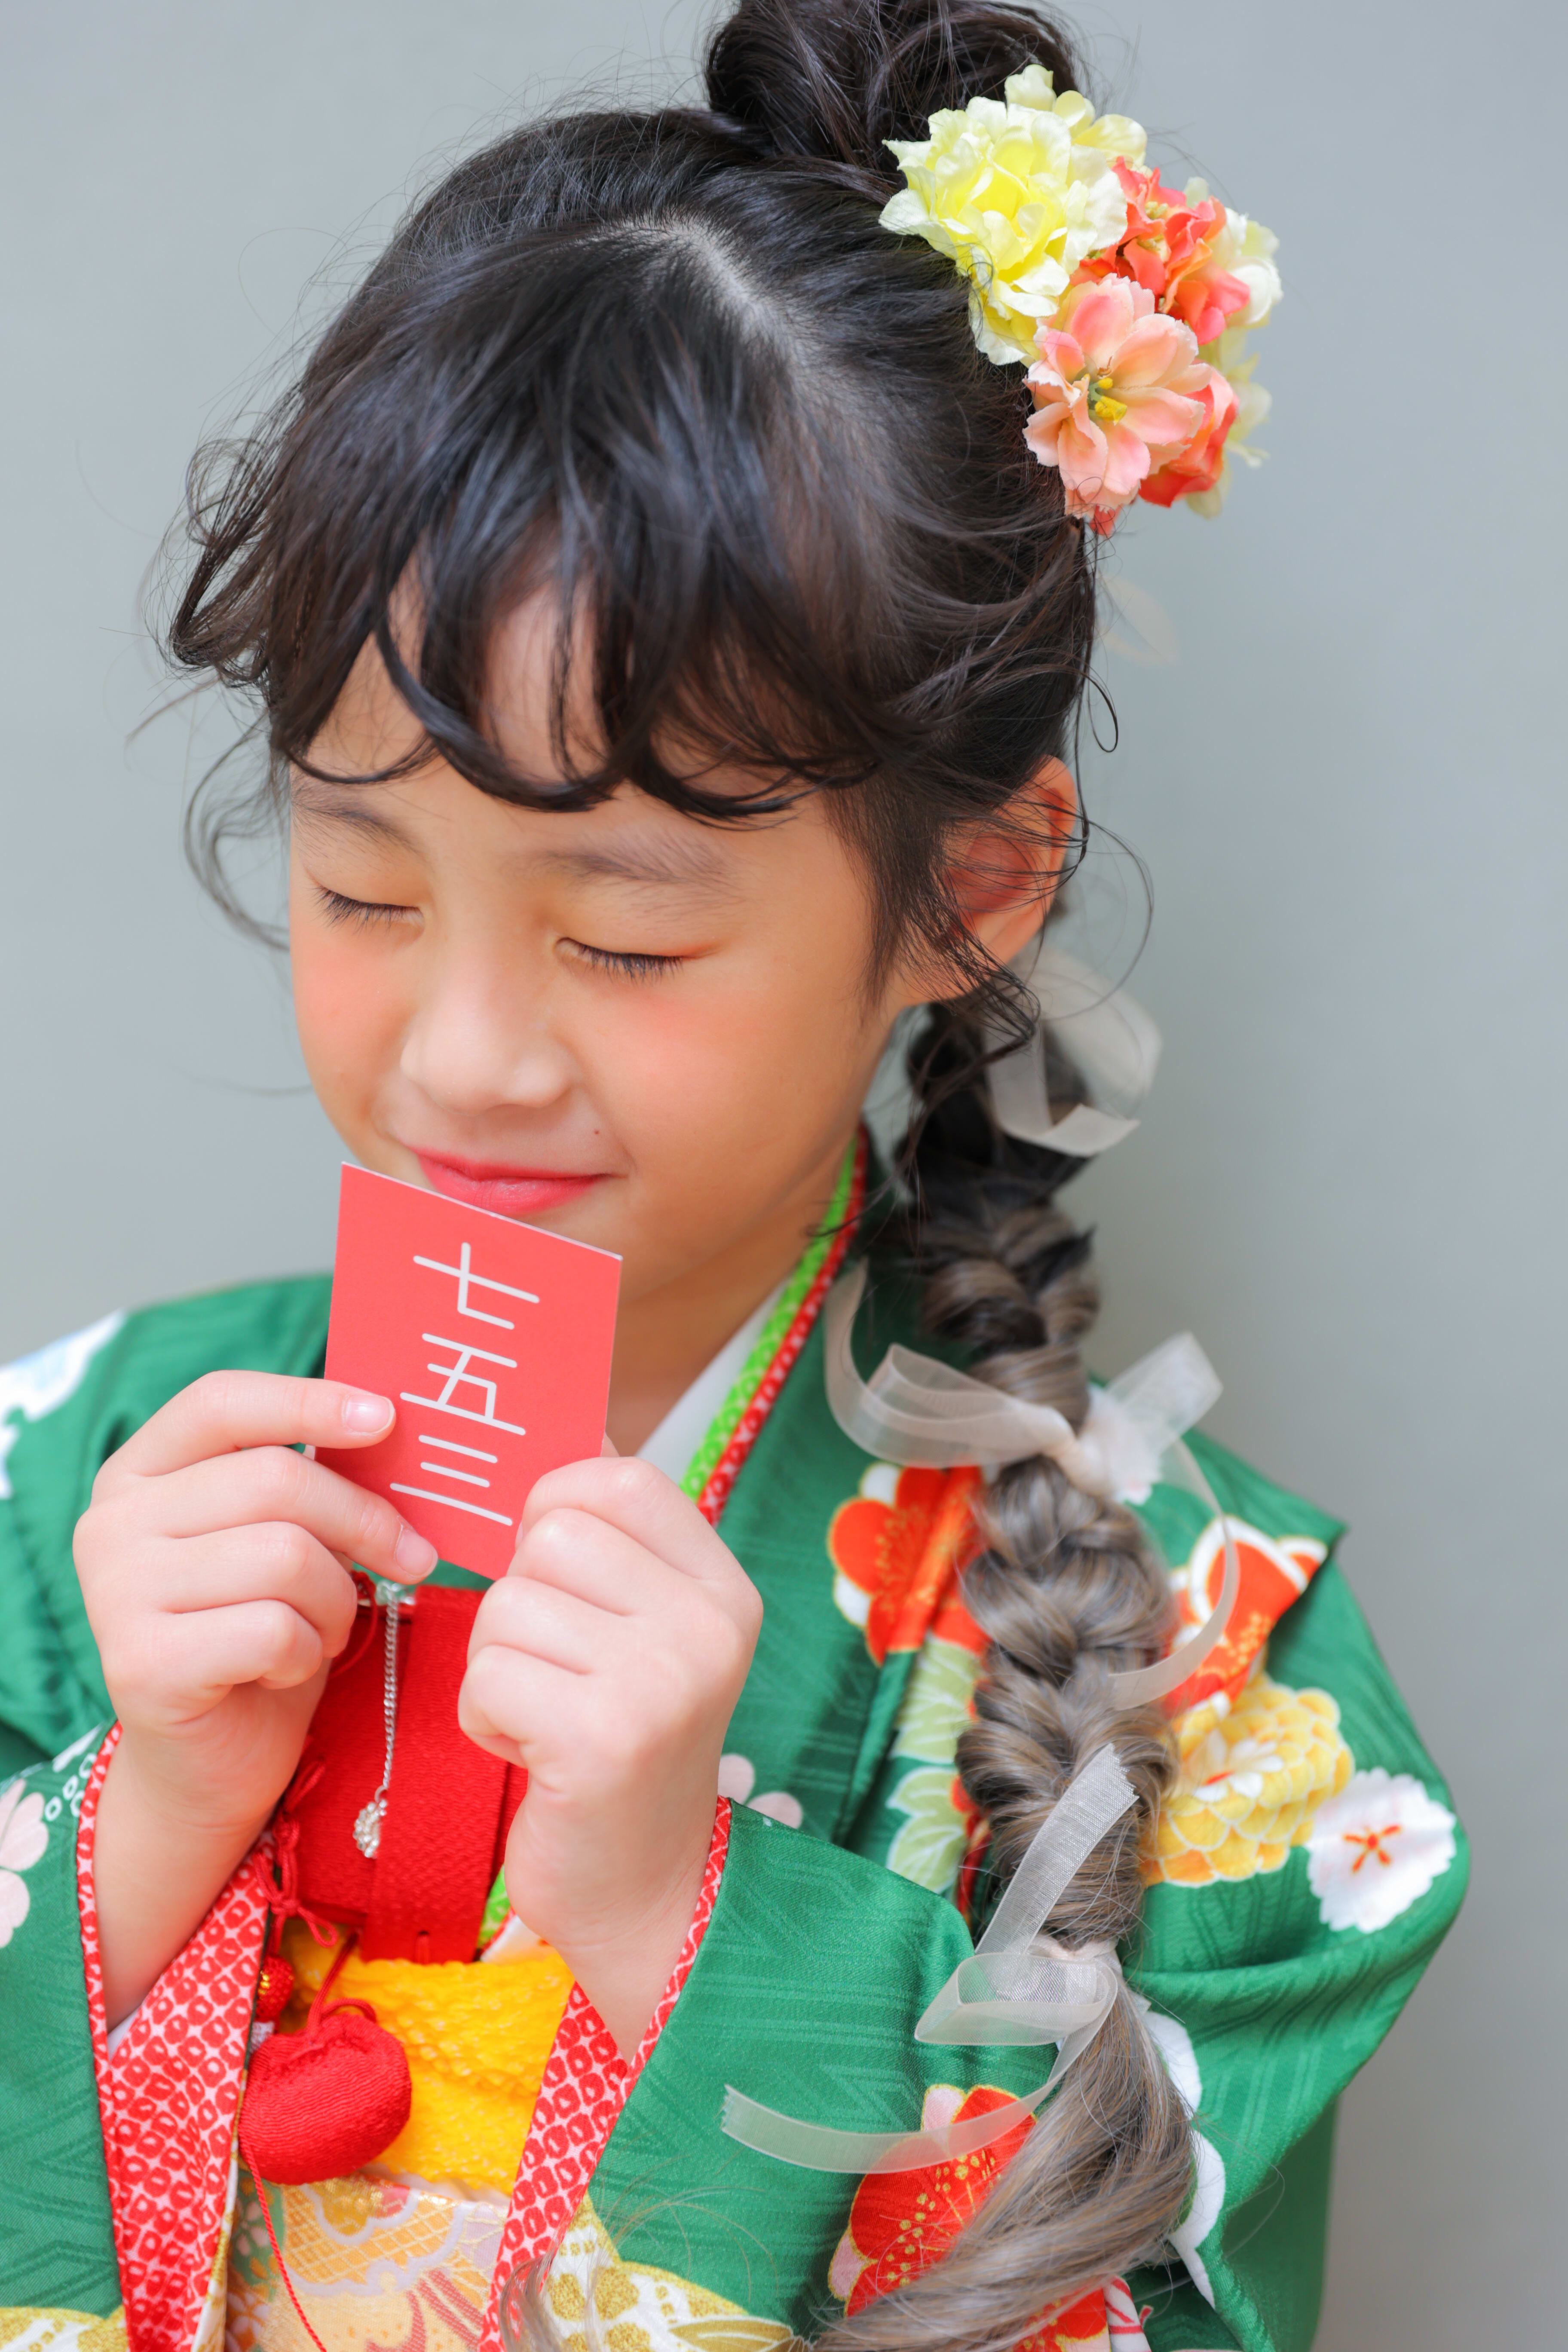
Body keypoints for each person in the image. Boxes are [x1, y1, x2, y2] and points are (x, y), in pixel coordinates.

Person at [0, 3, 1464, 2348]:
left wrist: (700, 1933)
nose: (467, 1053)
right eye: (369, 891)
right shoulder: (70, 1485)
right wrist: (133, 1845)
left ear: (967, 893)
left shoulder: (1199, 1667)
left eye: (623, 931)